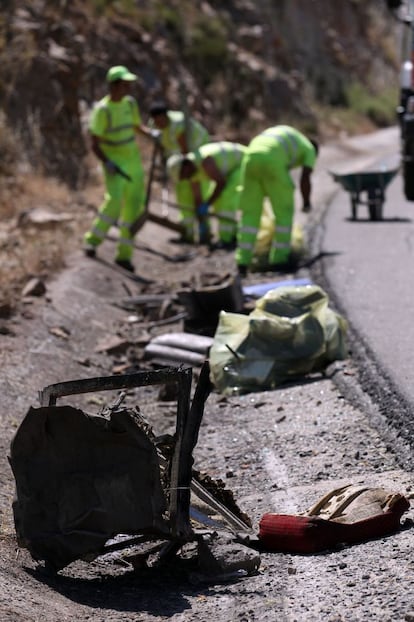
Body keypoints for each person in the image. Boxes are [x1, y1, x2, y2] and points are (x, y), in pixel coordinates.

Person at [83, 65, 154, 272]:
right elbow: (94, 144)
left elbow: (136, 126)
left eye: (129, 84)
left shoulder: (129, 104)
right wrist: (108, 162)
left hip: (132, 160)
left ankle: (124, 255)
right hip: (114, 162)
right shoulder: (102, 111)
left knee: (133, 206)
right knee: (113, 203)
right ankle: (92, 241)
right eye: (124, 84)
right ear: (113, 85)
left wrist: (151, 134)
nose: (128, 88)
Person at [236, 125, 318, 276]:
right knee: (284, 213)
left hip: (249, 157)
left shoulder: (291, 136)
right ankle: (279, 260)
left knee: (250, 214)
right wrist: (306, 202)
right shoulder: (310, 149)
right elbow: (305, 177)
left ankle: (242, 262)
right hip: (271, 160)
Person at [149, 102, 211, 243]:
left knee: (197, 194)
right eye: (156, 121)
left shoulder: (178, 124)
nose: (159, 124)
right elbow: (162, 145)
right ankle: (187, 233)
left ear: (167, 116)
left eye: (161, 120)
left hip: (197, 155)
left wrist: (188, 174)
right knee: (183, 193)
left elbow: (186, 151)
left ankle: (204, 232)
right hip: (180, 159)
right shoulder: (153, 125)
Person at [167, 141, 247, 248]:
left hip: (243, 162)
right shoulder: (191, 172)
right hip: (229, 171)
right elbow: (198, 198)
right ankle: (231, 234)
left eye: (183, 175)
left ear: (185, 166)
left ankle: (227, 239)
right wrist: (202, 221)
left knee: (225, 199)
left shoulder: (205, 162)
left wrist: (207, 204)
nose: (185, 178)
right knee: (216, 201)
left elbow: (221, 184)